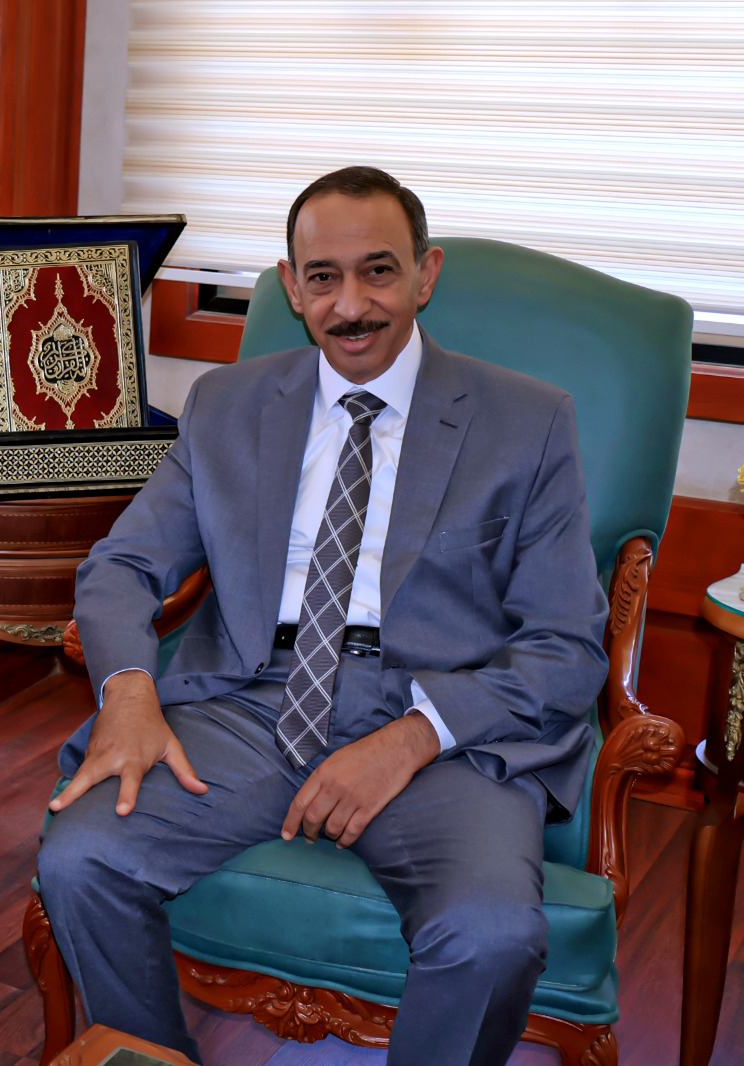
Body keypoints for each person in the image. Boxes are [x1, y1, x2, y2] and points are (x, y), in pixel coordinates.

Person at [36, 166, 608, 1066]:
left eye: (378, 272)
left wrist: (412, 738)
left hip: (440, 728)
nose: (351, 305)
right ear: (292, 286)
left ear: (426, 274)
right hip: (252, 703)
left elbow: (567, 647)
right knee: (80, 859)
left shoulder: (526, 423)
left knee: (491, 934)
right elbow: (124, 565)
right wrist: (130, 691)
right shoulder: (227, 404)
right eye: (323, 278)